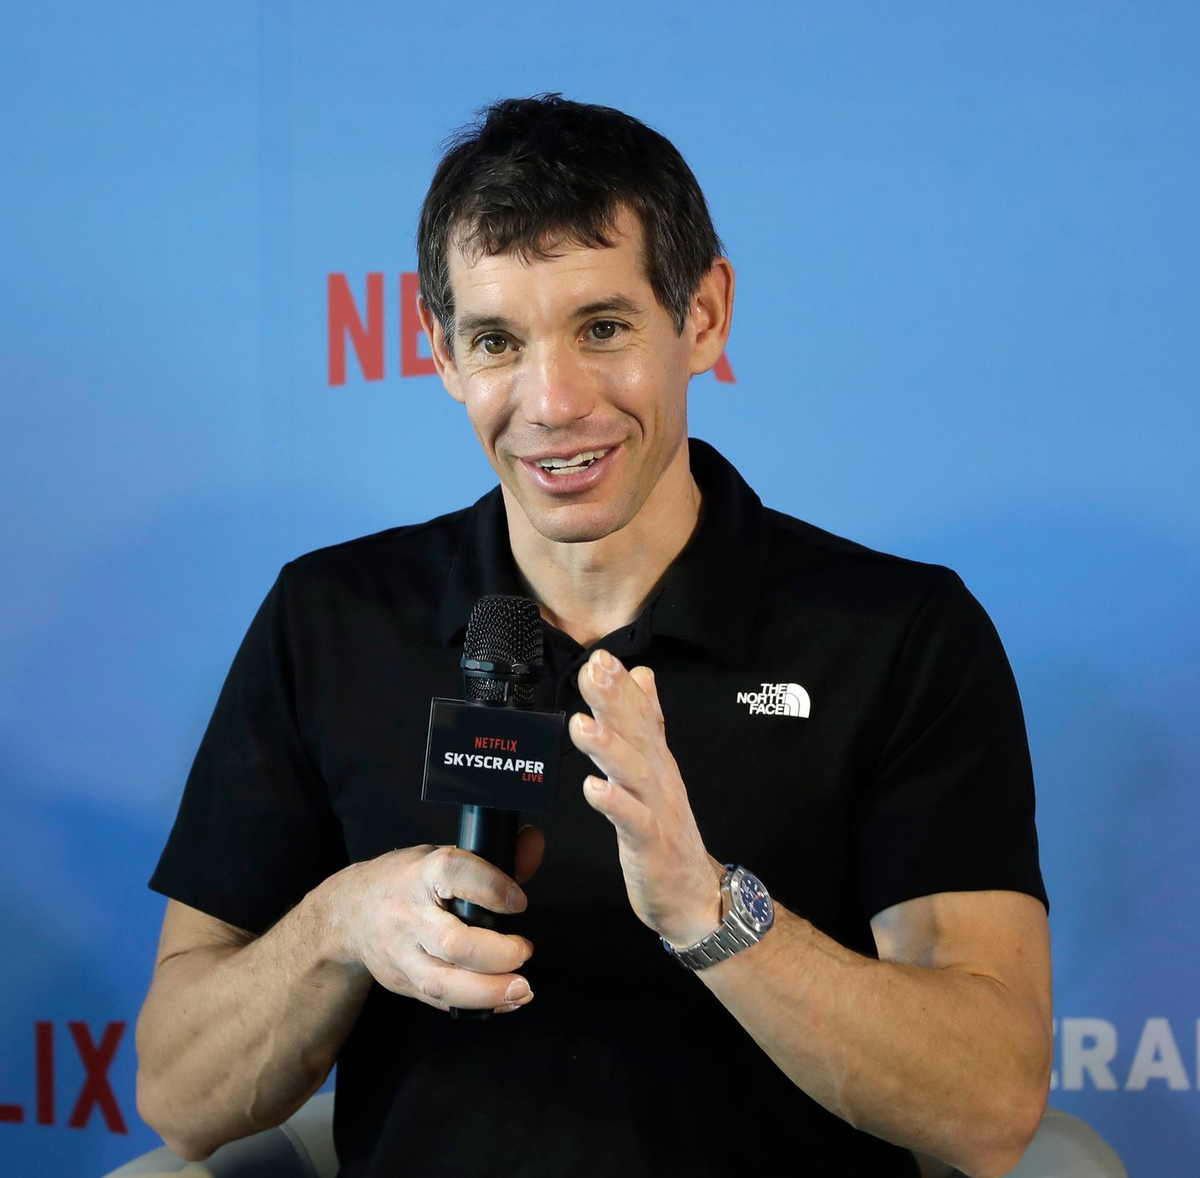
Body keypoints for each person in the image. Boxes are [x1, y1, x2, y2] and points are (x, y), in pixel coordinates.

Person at [136, 94, 1052, 1178]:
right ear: (441, 354)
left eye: (603, 328)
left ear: (703, 315)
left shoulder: (897, 633)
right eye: (496, 341)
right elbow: (179, 1095)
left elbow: (991, 1102)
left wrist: (712, 913)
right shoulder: (331, 617)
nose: (553, 401)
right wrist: (341, 925)